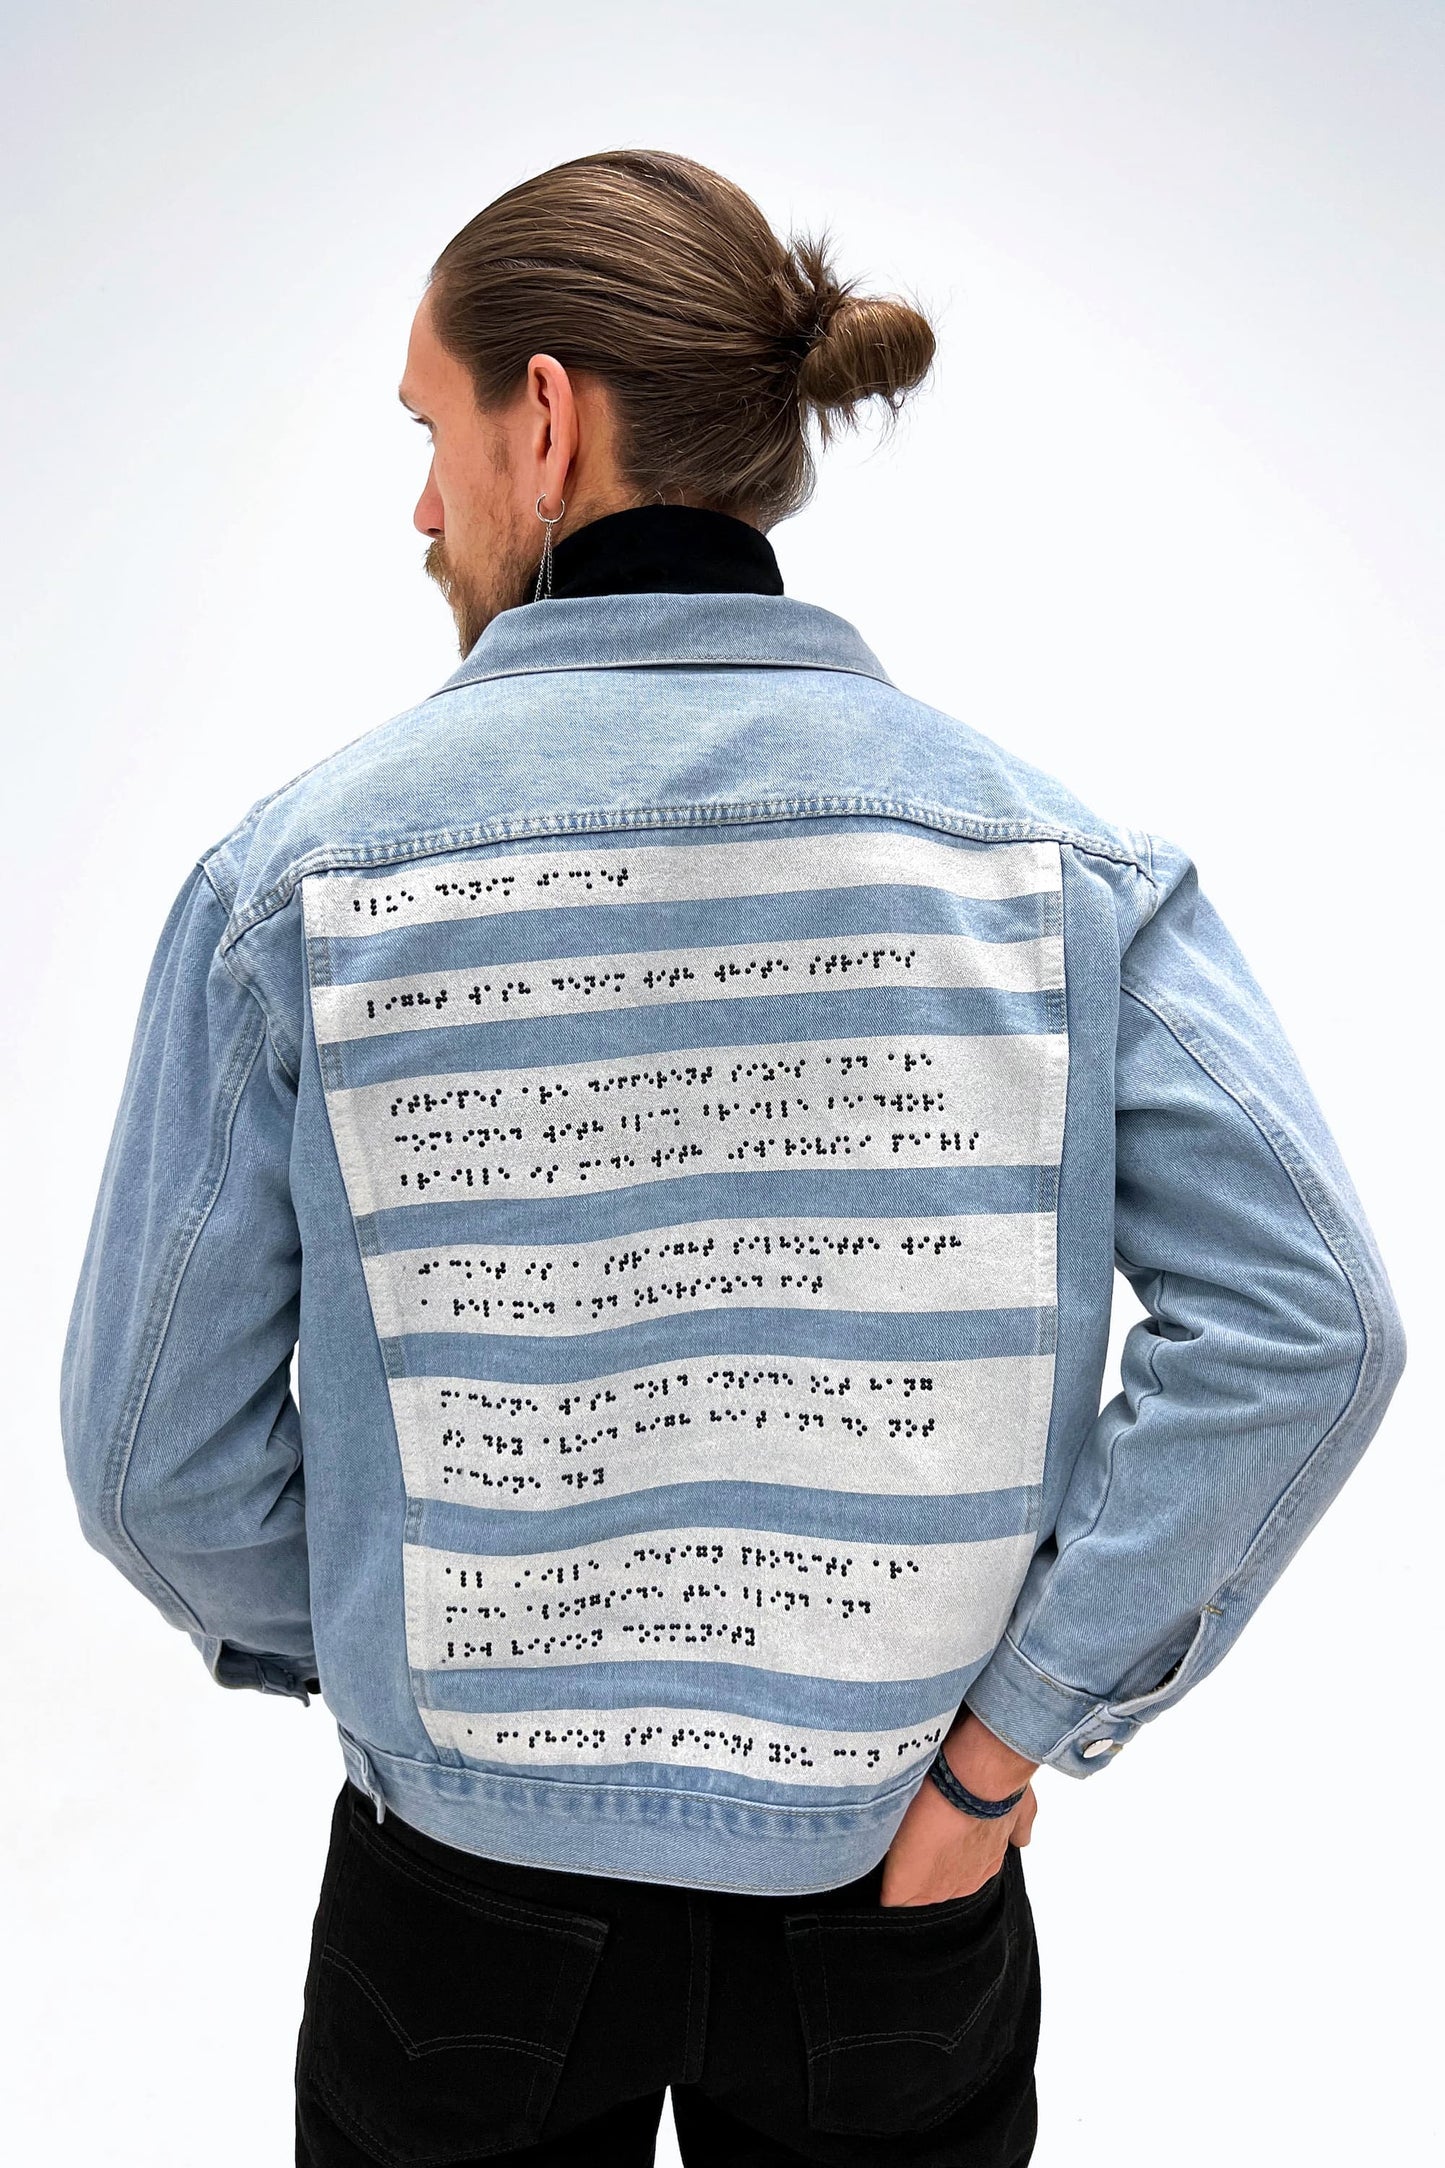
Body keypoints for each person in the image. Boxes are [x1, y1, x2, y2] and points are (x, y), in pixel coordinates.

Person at [59, 148, 1406, 2168]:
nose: (424, 506)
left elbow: (147, 1453)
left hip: (465, 1906)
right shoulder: (1051, 868)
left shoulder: (305, 884)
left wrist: (400, 1657)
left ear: (545, 418)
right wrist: (997, 1750)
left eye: (431, 434)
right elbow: (1314, 1323)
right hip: (893, 1882)